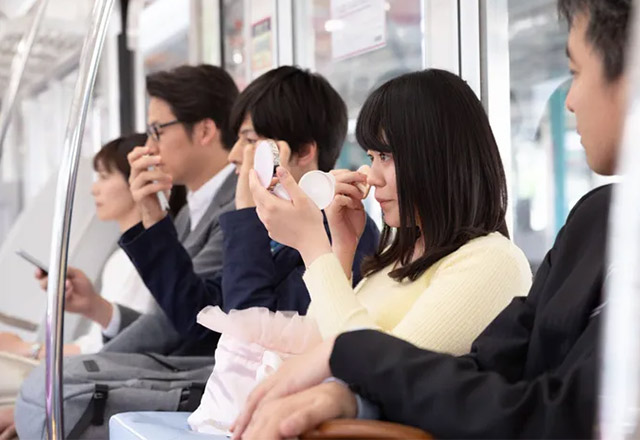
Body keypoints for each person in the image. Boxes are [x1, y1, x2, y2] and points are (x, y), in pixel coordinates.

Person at [230, 1, 640, 439]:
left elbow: (561, 414)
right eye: (371, 155)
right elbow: (485, 366)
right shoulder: (594, 218)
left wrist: (319, 262)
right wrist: (337, 257)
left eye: (575, 72)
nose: (570, 99)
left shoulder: (490, 262)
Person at [245, 68, 531, 356]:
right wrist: (341, 247)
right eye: (371, 157)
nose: (371, 176)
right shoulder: (397, 258)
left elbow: (382, 371)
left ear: (440, 157)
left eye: (386, 156)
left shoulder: (492, 260)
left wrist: (312, 246)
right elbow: (312, 351)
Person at [117, 65, 380, 349]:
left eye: (251, 141)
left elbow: (251, 342)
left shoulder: (340, 232)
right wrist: (154, 218)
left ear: (303, 151)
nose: (233, 156)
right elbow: (204, 320)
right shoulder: (273, 229)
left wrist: (246, 213)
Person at [0, 133, 156, 439]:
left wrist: (30, 350)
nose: (93, 188)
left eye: (105, 176)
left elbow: (116, 351)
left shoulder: (144, 260)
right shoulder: (120, 258)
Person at [97, 64, 240, 356]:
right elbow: (168, 319)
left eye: (156, 131)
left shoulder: (236, 210)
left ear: (204, 131)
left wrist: (94, 366)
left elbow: (197, 319)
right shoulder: (190, 211)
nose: (148, 146)